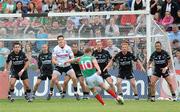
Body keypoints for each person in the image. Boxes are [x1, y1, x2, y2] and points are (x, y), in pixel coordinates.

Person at [48, 35, 80, 100]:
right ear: (58, 41)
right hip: (59, 66)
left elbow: (73, 58)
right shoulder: (55, 49)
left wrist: (68, 61)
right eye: (59, 40)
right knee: (53, 78)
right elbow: (53, 60)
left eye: (62, 39)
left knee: (74, 78)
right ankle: (50, 92)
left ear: (64, 40)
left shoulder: (68, 48)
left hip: (67, 66)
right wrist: (58, 63)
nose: (61, 41)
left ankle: (76, 92)